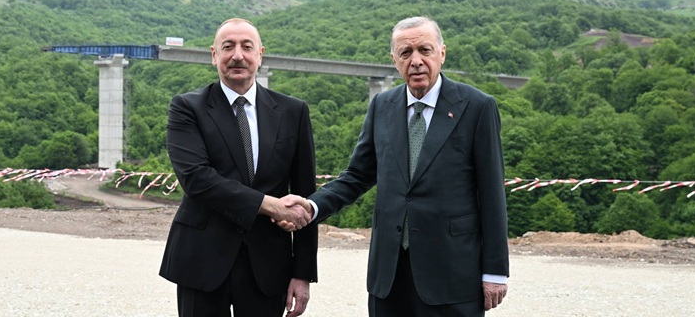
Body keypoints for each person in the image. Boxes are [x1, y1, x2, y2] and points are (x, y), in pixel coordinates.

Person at [284, 16, 509, 316]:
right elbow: (357, 175)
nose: (416, 61)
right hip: (389, 277)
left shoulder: (477, 107)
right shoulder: (382, 105)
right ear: (394, 60)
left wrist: (495, 271)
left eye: (425, 50)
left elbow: (492, 192)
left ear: (442, 53)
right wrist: (311, 207)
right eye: (406, 53)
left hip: (453, 275)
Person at [159, 18, 318, 317]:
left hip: (269, 265)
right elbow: (197, 179)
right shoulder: (187, 107)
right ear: (214, 55)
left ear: (260, 54)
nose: (237, 56)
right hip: (202, 260)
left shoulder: (293, 111)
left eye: (246, 47)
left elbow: (304, 195)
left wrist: (303, 273)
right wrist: (270, 205)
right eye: (228, 47)